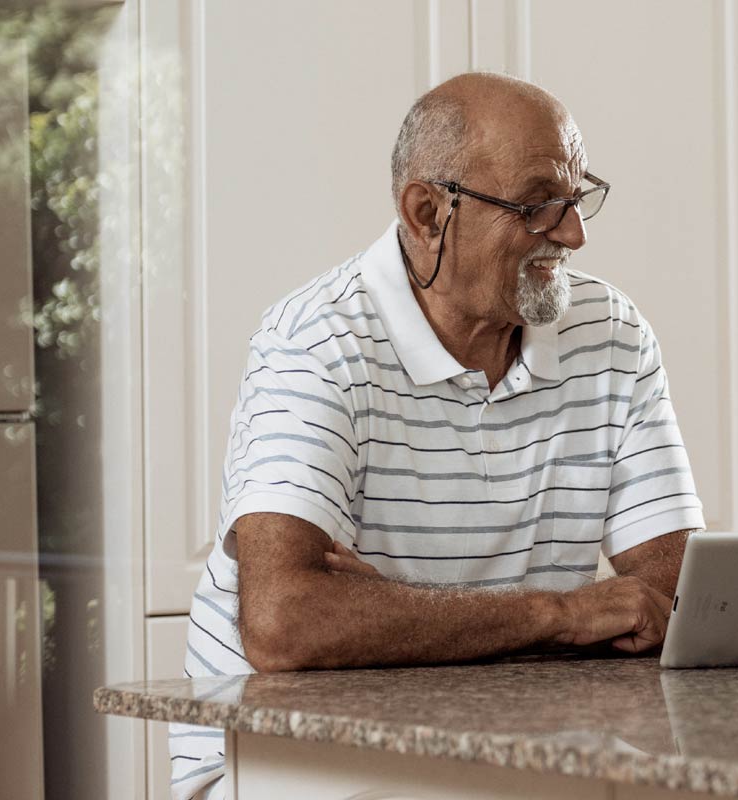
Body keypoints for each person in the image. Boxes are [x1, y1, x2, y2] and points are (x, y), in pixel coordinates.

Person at [169, 72, 704, 800]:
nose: (575, 232)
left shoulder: (610, 333)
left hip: (515, 743)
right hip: (281, 753)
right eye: (540, 203)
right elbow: (286, 625)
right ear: (428, 213)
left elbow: (678, 598)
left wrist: (395, 613)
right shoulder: (313, 344)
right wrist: (563, 612)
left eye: (578, 197)